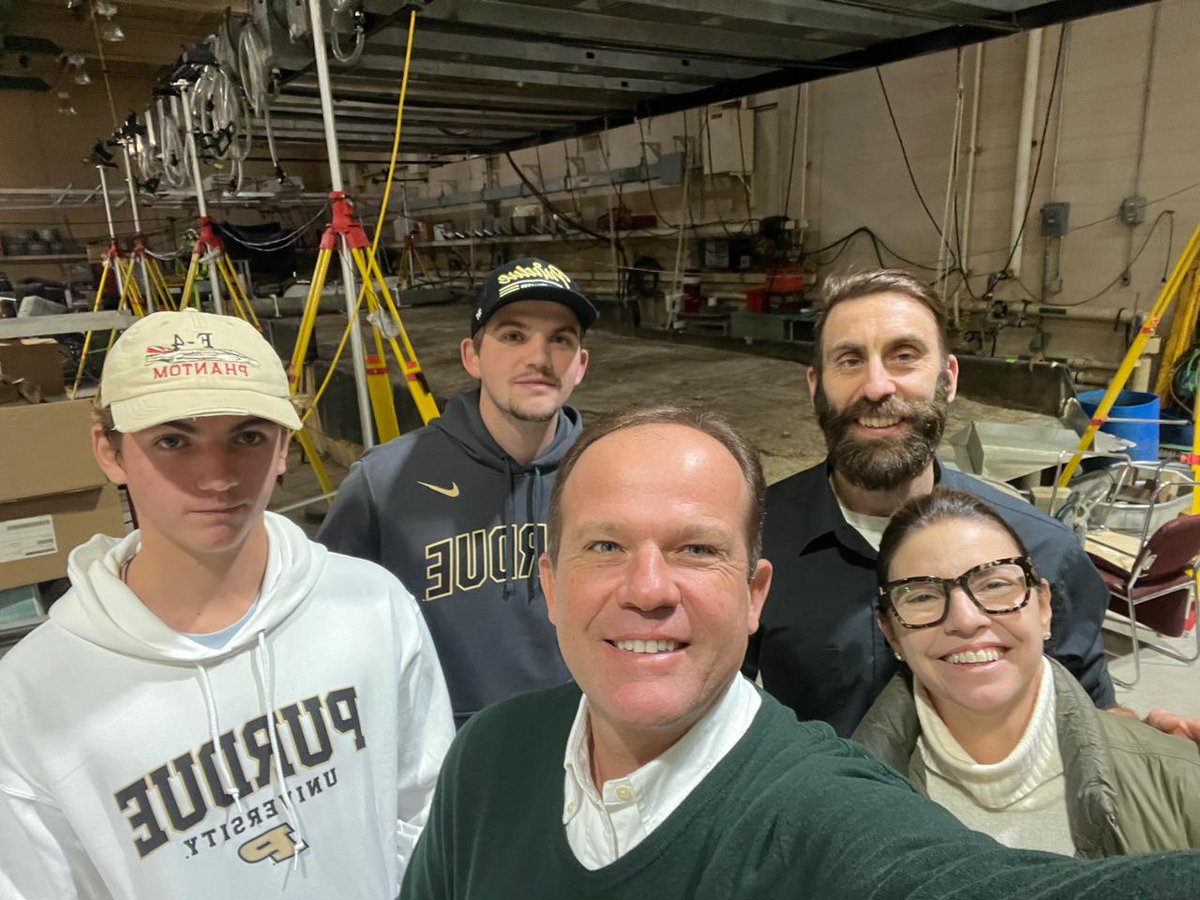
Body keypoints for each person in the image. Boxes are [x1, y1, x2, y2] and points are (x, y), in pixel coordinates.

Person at [399, 406, 1200, 899]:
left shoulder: (827, 815)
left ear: (755, 595)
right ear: (548, 582)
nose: (646, 588)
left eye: (694, 550)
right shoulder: (488, 758)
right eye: (605, 545)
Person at [0, 309, 454, 898]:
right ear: (110, 453)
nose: (216, 476)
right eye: (173, 439)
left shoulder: (370, 606)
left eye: (247, 437)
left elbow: (426, 810)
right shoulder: (33, 697)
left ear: (284, 447)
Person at [746, 268, 1118, 737]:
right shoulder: (753, 538)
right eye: (849, 360)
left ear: (949, 377)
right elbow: (717, 707)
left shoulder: (1043, 550)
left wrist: (1152, 745)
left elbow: (1090, 719)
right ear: (815, 384)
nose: (877, 386)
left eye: (904, 356)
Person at [319, 257, 595, 727]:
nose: (539, 358)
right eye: (513, 335)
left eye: (561, 339)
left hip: (590, 739)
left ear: (580, 365)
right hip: (444, 753)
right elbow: (327, 626)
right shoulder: (385, 481)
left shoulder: (610, 474)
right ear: (472, 356)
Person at [853, 487, 1200, 856]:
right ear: (890, 632)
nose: (966, 620)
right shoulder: (842, 804)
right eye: (921, 596)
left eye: (995, 584)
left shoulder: (1180, 778)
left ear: (1045, 607)